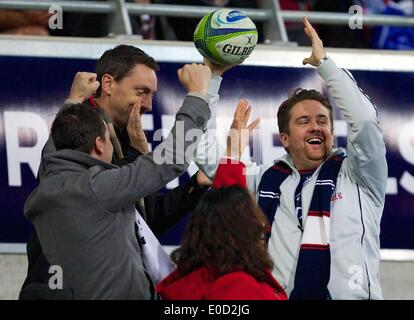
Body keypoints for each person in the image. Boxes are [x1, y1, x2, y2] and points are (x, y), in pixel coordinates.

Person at [20, 45, 228, 299]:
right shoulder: (88, 169)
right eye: (142, 92)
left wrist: (196, 183)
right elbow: (172, 159)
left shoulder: (112, 145)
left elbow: (143, 220)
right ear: (107, 83)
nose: (149, 104)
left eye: (152, 94)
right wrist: (198, 96)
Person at [209, 17, 387, 299]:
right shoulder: (264, 179)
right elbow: (208, 167)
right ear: (285, 139)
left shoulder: (359, 175)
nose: (316, 127)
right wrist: (212, 80)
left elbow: (365, 122)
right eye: (304, 121)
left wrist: (325, 65)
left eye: (322, 121)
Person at [156, 130, 287, 299]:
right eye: (253, 215)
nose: (262, 224)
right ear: (239, 227)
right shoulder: (238, 286)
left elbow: (227, 205)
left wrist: (232, 157)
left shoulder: (190, 281)